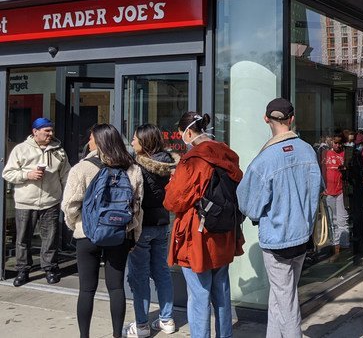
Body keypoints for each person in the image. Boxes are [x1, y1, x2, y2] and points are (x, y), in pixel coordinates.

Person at [237, 98, 322, 338]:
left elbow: (247, 204)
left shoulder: (265, 159)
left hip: (277, 239)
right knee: (281, 293)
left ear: (266, 119)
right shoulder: (308, 150)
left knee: (286, 300)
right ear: (292, 119)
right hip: (303, 236)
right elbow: (318, 189)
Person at [164, 112, 244, 338]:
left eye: (182, 135)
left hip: (198, 234)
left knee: (199, 294)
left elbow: (173, 201)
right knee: (221, 290)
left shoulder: (193, 160)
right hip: (225, 230)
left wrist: (171, 183)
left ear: (188, 132)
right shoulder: (229, 155)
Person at [61, 124, 144, 338]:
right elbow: (137, 207)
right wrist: (133, 234)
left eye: (90, 138)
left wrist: (77, 226)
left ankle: (84, 336)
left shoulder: (81, 168)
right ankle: (117, 334)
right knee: (116, 288)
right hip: (119, 234)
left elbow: (69, 205)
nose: (88, 142)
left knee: (86, 289)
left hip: (87, 235)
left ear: (98, 142)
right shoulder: (132, 168)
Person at [122, 124, 179, 337]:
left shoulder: (137, 166)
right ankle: (167, 319)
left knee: (140, 276)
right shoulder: (171, 164)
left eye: (135, 139)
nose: (132, 142)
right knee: (162, 273)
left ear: (144, 142)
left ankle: (142, 324)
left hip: (142, 226)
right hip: (163, 224)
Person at [2, 117, 71, 287]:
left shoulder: (58, 150)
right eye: (46, 131)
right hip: (26, 202)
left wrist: (66, 197)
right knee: (23, 238)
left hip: (50, 201)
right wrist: (27, 175)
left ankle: (50, 268)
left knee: (50, 237)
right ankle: (23, 270)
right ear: (35, 132)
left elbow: (66, 175)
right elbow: (7, 173)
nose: (50, 134)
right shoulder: (21, 149)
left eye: (51, 130)